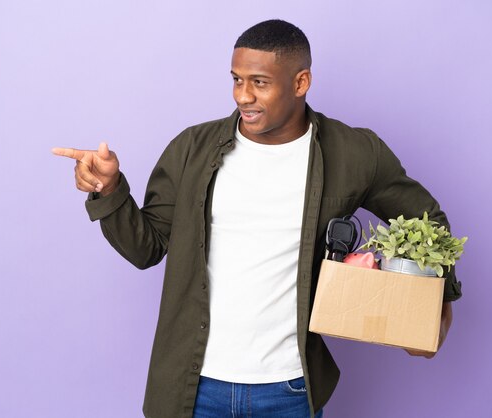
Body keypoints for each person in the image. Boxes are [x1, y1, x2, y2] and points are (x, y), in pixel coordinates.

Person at [53, 19, 462, 418]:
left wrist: (430, 309)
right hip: (193, 388)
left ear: (300, 83)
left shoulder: (355, 153)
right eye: (236, 79)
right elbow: (146, 249)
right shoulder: (191, 149)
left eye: (259, 83)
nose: (243, 96)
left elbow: (431, 225)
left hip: (290, 388)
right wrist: (108, 191)